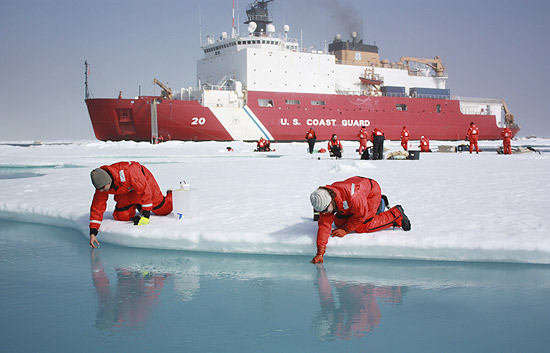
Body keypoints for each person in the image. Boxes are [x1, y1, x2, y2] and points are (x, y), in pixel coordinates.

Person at [309, 176, 411, 264]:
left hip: (370, 193)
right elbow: (324, 226)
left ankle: (396, 215)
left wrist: (346, 230)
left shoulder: (354, 197)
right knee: (338, 223)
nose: (324, 213)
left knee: (362, 226)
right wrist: (320, 253)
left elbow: (360, 216)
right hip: (355, 196)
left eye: (325, 210)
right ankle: (379, 205)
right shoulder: (325, 198)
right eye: (320, 211)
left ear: (331, 201)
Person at [89, 161, 173, 248]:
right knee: (122, 216)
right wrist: (93, 232)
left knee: (164, 210)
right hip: (125, 191)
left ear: (108, 182)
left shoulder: (130, 172)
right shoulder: (102, 185)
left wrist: (146, 215)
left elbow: (145, 191)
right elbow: (97, 206)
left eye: (103, 188)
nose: (101, 191)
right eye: (99, 189)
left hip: (144, 183)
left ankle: (171, 195)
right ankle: (138, 204)